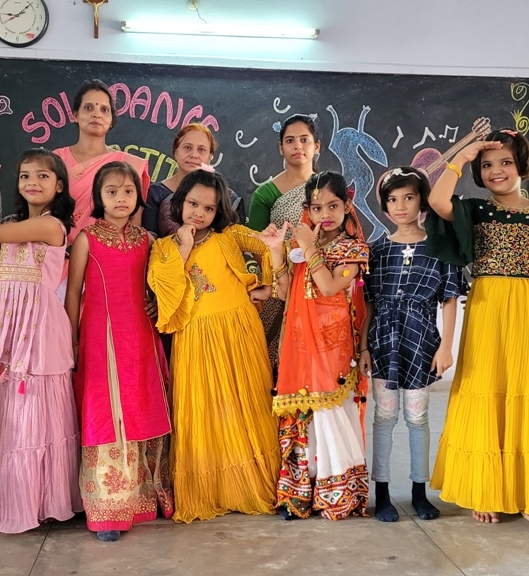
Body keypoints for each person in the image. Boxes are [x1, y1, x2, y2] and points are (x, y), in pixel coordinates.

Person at [425, 128, 529, 524]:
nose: (496, 171)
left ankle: (527, 491)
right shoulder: (475, 210)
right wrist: (462, 157)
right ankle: (484, 489)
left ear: (522, 165)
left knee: (528, 391)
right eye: (488, 164)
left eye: (506, 162)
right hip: (488, 310)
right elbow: (437, 201)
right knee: (486, 392)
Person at [147, 169, 280, 523]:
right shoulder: (163, 248)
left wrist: (268, 284)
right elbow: (164, 287)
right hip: (194, 337)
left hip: (239, 331)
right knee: (202, 409)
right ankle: (213, 491)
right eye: (193, 204)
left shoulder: (230, 236)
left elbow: (269, 247)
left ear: (218, 211)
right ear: (180, 202)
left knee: (245, 405)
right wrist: (183, 247)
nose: (199, 213)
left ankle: (250, 486)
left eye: (209, 208)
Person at [0, 147, 81, 533]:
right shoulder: (16, 222)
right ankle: (19, 496)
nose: (33, 182)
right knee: (12, 411)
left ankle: (41, 500)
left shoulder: (51, 225)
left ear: (59, 186)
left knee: (34, 407)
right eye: (25, 175)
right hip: (13, 326)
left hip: (38, 327)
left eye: (43, 176)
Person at [66, 161, 173, 541]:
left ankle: (144, 499)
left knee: (141, 405)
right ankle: (107, 510)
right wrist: (72, 340)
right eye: (111, 191)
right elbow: (73, 293)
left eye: (128, 191)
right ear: (98, 197)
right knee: (106, 412)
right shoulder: (87, 239)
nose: (121, 198)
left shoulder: (148, 241)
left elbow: (159, 286)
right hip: (101, 339)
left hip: (141, 338)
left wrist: (157, 304)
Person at [259, 171, 370, 521]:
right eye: (317, 207)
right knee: (303, 414)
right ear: (308, 208)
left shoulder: (353, 248)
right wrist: (276, 252)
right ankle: (300, 493)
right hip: (300, 343)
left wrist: (308, 247)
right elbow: (284, 293)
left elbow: (329, 287)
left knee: (329, 412)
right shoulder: (301, 246)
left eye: (333, 206)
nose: (326, 214)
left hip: (333, 345)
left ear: (347, 206)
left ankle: (337, 494)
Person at [359, 167, 463, 523]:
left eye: (408, 197)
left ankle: (420, 491)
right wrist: (364, 347)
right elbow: (369, 304)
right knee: (384, 417)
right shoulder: (375, 251)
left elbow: (448, 299)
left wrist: (446, 346)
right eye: (392, 199)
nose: (400, 206)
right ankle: (383, 494)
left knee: (417, 417)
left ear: (422, 201)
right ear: (384, 206)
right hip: (383, 343)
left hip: (421, 342)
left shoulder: (438, 248)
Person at [247, 114, 322, 375]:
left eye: (304, 140)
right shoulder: (265, 194)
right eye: (290, 141)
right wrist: (281, 274)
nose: (297, 146)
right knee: (276, 367)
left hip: (322, 287)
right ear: (281, 147)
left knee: (316, 370)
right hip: (279, 290)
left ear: (316, 146)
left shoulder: (329, 190)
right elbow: (256, 248)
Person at [54, 79, 151, 244]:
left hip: (109, 252)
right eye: (88, 108)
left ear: (111, 119)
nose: (96, 114)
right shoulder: (56, 160)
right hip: (59, 251)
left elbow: (134, 224)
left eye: (104, 110)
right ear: (75, 115)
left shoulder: (129, 165)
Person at [143, 123, 245, 238]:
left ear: (210, 156)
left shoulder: (228, 198)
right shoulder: (155, 193)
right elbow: (149, 239)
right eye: (187, 148)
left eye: (201, 149)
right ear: (175, 151)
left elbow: (236, 241)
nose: (194, 155)